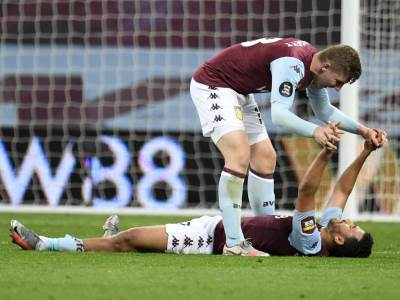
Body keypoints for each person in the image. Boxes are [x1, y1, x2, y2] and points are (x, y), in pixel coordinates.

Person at [10, 124, 384, 257]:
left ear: (338, 241)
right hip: (218, 227)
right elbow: (342, 190)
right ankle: (114, 239)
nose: (348, 221)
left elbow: (307, 191)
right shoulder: (327, 228)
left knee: (132, 238)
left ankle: (47, 243)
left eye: (352, 229)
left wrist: (325, 152)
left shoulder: (310, 240)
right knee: (135, 239)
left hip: (209, 243)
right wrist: (365, 151)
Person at [189, 36, 387, 256]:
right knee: (239, 154)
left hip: (240, 91)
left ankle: (262, 230)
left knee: (265, 157)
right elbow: (280, 116)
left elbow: (325, 111)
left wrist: (364, 131)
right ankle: (234, 243)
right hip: (214, 84)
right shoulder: (291, 64)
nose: (338, 88)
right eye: (338, 81)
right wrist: (316, 132)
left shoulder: (313, 66)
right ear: (326, 67)